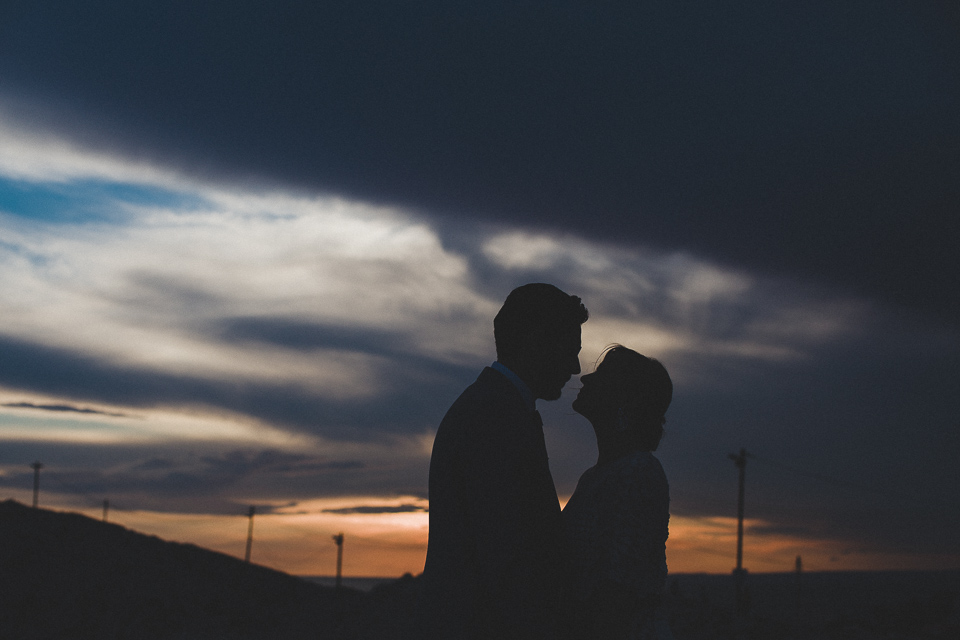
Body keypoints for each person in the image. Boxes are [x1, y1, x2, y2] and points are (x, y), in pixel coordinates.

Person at [418, 283, 588, 640]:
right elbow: (505, 553)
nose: (574, 367)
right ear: (536, 342)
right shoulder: (493, 417)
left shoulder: (498, 408)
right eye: (569, 350)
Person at [562, 345, 674, 640]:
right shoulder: (595, 476)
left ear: (626, 400)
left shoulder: (638, 472)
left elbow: (618, 590)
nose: (585, 378)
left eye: (603, 374)